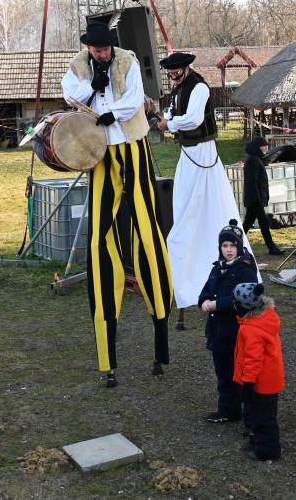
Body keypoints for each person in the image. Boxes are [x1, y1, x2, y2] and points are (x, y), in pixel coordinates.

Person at [61, 22, 173, 385]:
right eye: (96, 50)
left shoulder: (127, 60)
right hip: (99, 151)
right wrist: (93, 90)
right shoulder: (77, 66)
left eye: (105, 49)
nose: (101, 54)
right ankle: (107, 358)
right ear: (89, 49)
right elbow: (71, 97)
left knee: (146, 225)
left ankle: (161, 330)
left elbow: (134, 97)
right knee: (100, 236)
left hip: (130, 143)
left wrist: (114, 113)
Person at [156, 52, 254, 312]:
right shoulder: (179, 89)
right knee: (184, 202)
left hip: (202, 151)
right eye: (170, 73)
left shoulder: (198, 87)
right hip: (189, 151)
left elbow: (194, 119)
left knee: (200, 202)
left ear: (185, 68)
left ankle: (202, 259)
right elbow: (175, 113)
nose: (173, 76)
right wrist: (167, 118)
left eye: (176, 72)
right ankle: (187, 261)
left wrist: (170, 124)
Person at [198, 219, 259, 424]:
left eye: (233, 245)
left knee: (241, 375)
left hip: (237, 332)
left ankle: (252, 417)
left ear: (239, 247)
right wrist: (204, 301)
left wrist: (216, 305)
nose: (229, 250)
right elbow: (206, 291)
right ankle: (227, 410)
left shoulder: (245, 270)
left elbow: (246, 301)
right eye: (225, 245)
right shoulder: (217, 268)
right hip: (218, 331)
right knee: (223, 374)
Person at [232, 282, 284, 461]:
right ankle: (259, 441)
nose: (233, 306)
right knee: (263, 414)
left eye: (235, 303)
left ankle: (268, 450)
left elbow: (253, 360)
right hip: (270, 379)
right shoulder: (265, 318)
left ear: (243, 306)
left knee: (264, 418)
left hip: (261, 383)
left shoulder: (251, 329)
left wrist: (248, 383)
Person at [242, 137, 283, 255]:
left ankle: (235, 241)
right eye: (263, 146)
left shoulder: (254, 158)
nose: (266, 148)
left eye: (266, 146)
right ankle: (271, 248)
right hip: (255, 198)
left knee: (248, 222)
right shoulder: (253, 160)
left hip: (254, 198)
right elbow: (252, 182)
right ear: (257, 147)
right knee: (263, 222)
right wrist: (258, 200)